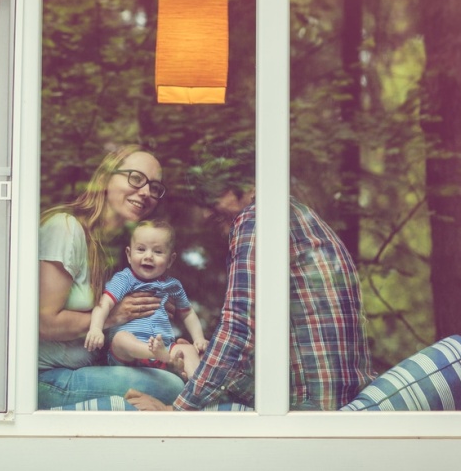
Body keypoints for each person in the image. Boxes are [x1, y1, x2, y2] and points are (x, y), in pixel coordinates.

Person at [125, 142, 374, 411]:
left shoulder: (257, 218)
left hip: (305, 408)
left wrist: (177, 411)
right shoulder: (298, 216)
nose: (207, 213)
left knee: (155, 389)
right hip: (328, 398)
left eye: (212, 197)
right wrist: (204, 361)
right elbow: (259, 341)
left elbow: (240, 330)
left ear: (251, 187)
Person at [38, 144, 186, 409]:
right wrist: (115, 315)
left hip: (88, 368)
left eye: (154, 187)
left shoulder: (123, 251)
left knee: (180, 369)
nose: (145, 193)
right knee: (171, 387)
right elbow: (45, 323)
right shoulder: (65, 228)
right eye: (136, 178)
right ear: (106, 177)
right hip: (42, 378)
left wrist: (153, 319)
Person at [85, 220, 208, 380]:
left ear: (170, 260)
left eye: (158, 252)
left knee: (188, 350)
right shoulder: (124, 279)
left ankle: (198, 386)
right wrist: (95, 328)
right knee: (121, 339)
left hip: (164, 348)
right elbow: (104, 304)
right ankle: (155, 354)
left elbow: (188, 313)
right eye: (141, 249)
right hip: (127, 357)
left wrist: (198, 338)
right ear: (129, 255)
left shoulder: (173, 285)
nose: (148, 256)